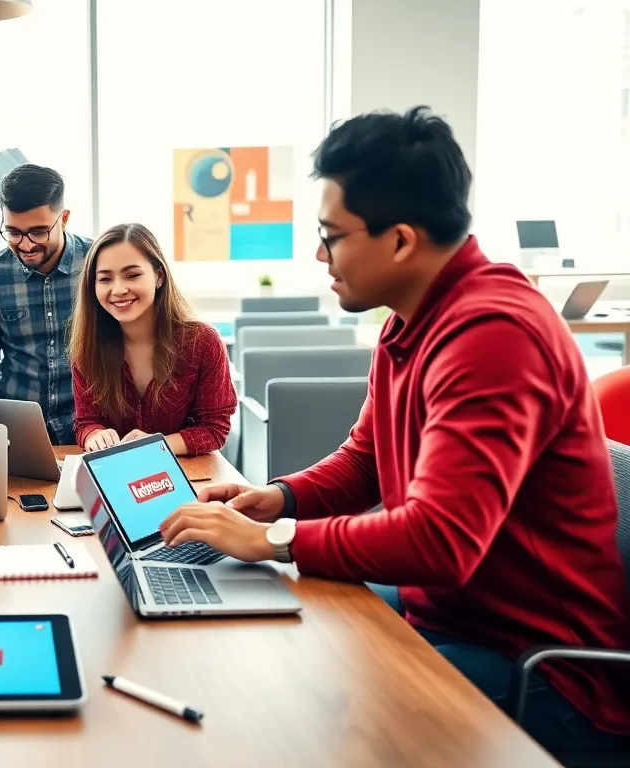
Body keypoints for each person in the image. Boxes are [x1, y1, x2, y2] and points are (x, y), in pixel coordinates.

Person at [158, 107, 630, 754]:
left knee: (297, 713)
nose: (318, 253)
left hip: (539, 670)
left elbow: (441, 540)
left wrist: (272, 538)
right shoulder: (410, 320)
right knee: (270, 633)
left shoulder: (493, 334)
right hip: (450, 614)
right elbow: (365, 462)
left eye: (331, 234)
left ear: (402, 240)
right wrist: (280, 499)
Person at [68, 222, 235, 456]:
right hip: (116, 474)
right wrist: (94, 435)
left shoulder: (203, 342)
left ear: (158, 276)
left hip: (185, 473)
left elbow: (215, 429)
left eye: (132, 275)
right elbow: (86, 421)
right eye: (105, 279)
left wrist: (159, 445)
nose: (118, 289)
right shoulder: (87, 348)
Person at [0, 164, 90, 444]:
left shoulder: (98, 264)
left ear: (65, 218)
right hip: (18, 430)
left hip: (89, 426)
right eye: (13, 232)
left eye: (38, 232)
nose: (25, 245)